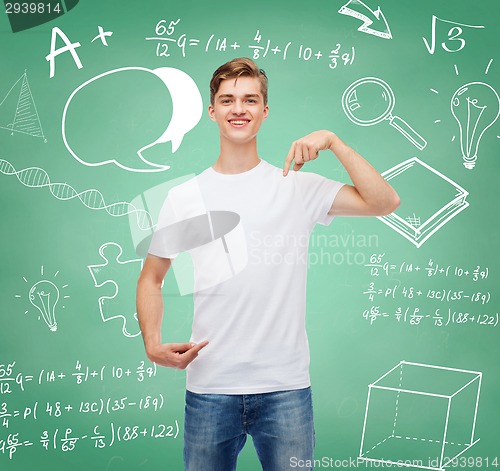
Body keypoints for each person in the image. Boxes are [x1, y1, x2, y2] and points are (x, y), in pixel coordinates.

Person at [136, 57, 399, 471]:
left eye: (250, 99)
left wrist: (334, 141)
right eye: (227, 100)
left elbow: (385, 202)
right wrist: (152, 345)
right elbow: (151, 277)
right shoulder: (182, 196)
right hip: (210, 386)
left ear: (264, 110)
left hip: (286, 388)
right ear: (212, 111)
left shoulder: (297, 186)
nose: (238, 108)